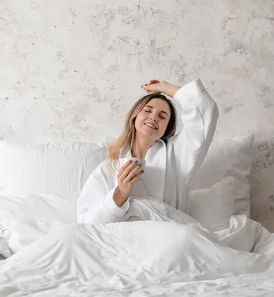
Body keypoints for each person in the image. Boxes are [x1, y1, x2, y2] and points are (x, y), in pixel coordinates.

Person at [77, 78, 219, 224]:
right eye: (148, 110)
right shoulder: (108, 169)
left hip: (166, 237)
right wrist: (121, 193)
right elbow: (87, 223)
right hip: (124, 241)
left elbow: (205, 111)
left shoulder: (177, 155)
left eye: (162, 116)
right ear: (135, 116)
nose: (153, 117)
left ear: (166, 128)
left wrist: (167, 88)